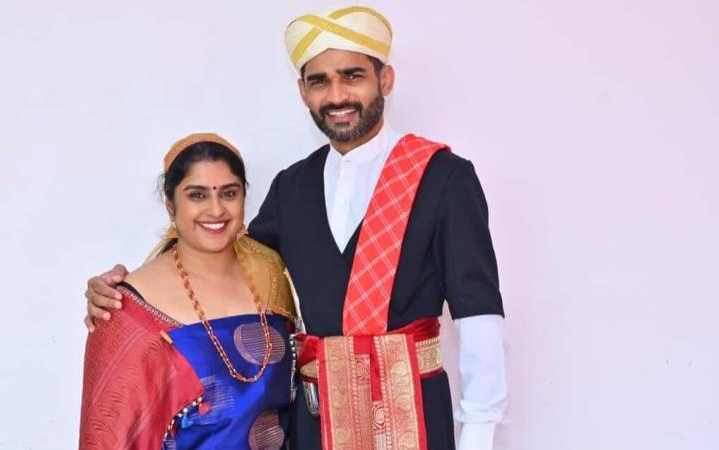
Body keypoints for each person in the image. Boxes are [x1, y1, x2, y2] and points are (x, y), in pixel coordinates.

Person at [85, 6, 506, 450]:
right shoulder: (292, 186)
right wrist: (126, 296)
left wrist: (479, 434)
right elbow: (224, 263)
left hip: (414, 420)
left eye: (353, 75)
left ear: (385, 81)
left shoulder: (443, 177)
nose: (337, 94)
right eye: (320, 80)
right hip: (315, 427)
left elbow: (478, 313)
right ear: (303, 91)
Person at [79, 133, 295, 450]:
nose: (216, 209)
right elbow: (106, 437)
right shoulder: (127, 308)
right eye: (197, 195)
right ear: (170, 204)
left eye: (229, 193)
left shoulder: (275, 275)